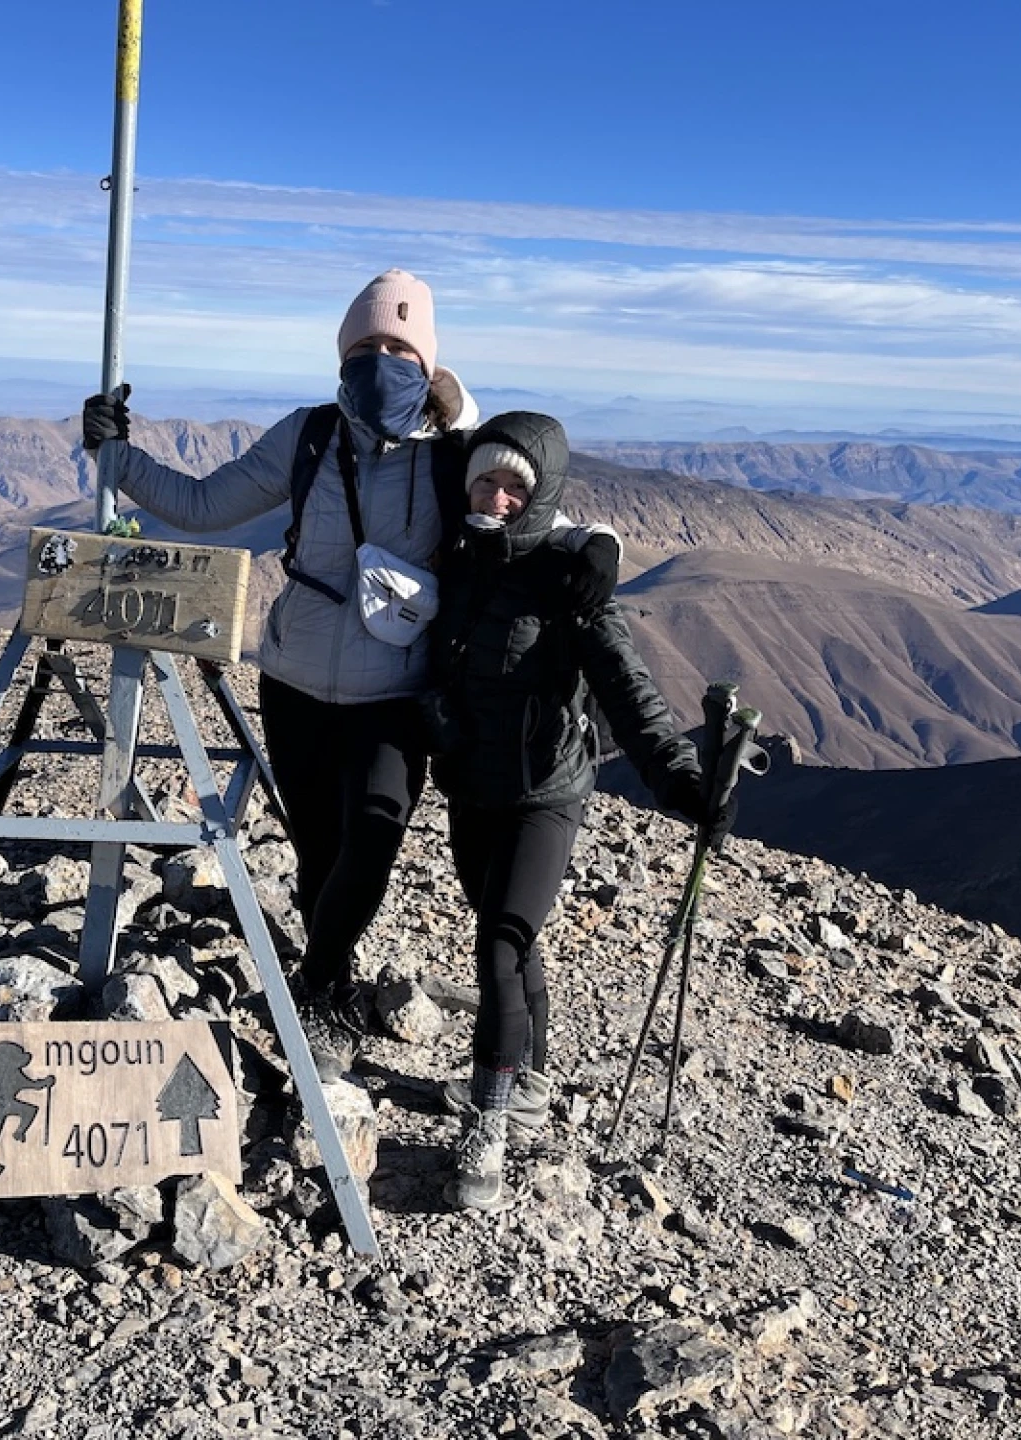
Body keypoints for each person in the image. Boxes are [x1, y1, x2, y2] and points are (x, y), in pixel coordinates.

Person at [81, 270, 481, 1080]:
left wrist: (595, 550)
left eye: (398, 347)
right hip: (293, 679)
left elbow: (527, 505)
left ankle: (313, 983)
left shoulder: (455, 457)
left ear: (427, 360)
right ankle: (332, 983)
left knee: (373, 840)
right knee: (317, 849)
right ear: (341, 353)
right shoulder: (308, 437)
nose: (379, 359)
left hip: (396, 689)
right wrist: (114, 453)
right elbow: (197, 506)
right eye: (365, 345)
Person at [420, 411, 729, 1212]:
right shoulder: (456, 561)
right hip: (471, 789)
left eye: (514, 486)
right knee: (509, 938)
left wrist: (679, 780)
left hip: (544, 796)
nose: (495, 495)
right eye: (484, 479)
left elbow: (630, 693)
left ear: (541, 495)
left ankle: (488, 1124)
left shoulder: (570, 582)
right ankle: (532, 1078)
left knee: (499, 945)